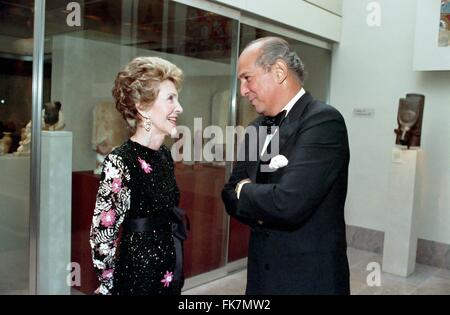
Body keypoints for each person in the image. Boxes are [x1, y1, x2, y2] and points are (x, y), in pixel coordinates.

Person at [221, 37, 350, 295]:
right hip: (261, 275)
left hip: (308, 279)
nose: (243, 90)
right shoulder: (257, 127)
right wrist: (257, 197)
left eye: (247, 78)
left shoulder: (323, 121)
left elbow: (288, 203)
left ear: (279, 71)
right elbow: (228, 193)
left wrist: (247, 193)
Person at [89, 56, 184, 295]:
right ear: (142, 107)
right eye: (170, 98)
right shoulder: (120, 161)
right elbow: (103, 237)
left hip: (169, 272)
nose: (179, 107)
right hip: (136, 278)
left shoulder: (164, 156)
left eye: (177, 98)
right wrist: (109, 285)